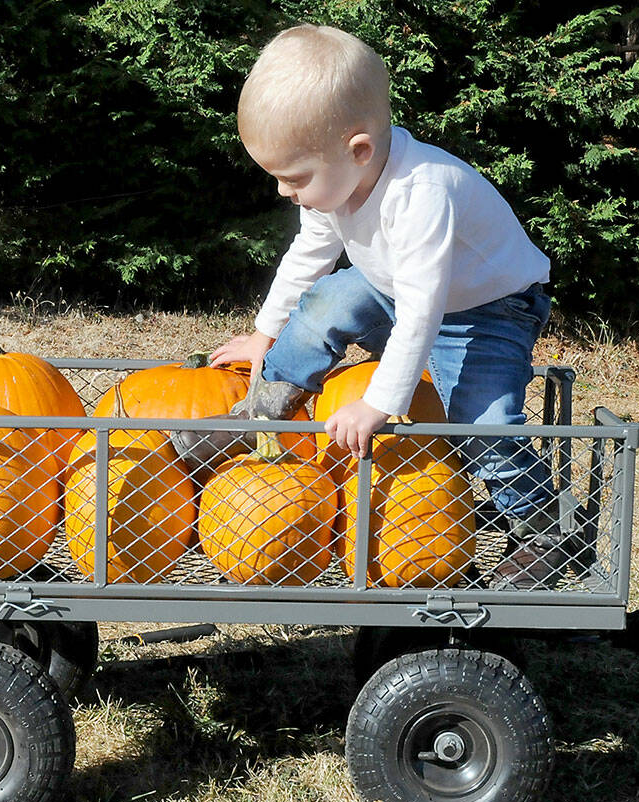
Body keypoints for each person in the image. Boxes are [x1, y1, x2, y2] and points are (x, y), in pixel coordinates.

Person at [171, 24, 566, 589]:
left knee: (481, 419)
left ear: (358, 150)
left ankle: (545, 531)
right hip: (397, 286)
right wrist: (265, 333)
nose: (285, 191)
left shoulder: (423, 192)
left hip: (490, 308)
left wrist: (381, 403)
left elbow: (422, 311)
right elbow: (310, 252)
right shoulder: (338, 179)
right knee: (328, 298)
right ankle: (261, 415)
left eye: (294, 178)